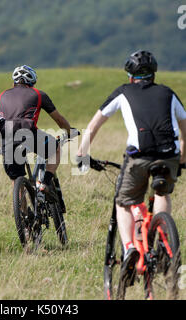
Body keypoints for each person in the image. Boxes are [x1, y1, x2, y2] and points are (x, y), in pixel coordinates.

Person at [76, 50, 186, 275]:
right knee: (162, 193)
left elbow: (94, 125)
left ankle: (128, 250)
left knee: (123, 201)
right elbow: (185, 129)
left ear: (130, 76)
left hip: (139, 156)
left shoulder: (122, 92)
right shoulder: (168, 93)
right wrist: (182, 158)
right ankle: (164, 240)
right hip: (169, 155)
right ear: (154, 74)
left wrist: (81, 154)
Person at [0, 65, 72, 191]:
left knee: (16, 180)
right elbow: (59, 120)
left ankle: (22, 210)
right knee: (56, 149)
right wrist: (69, 131)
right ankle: (44, 183)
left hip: (6, 136)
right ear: (32, 82)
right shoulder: (39, 95)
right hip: (28, 133)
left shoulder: (2, 96)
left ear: (14, 82)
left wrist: (2, 146)